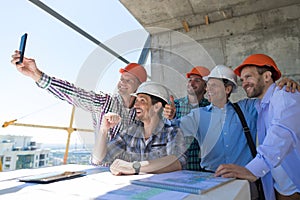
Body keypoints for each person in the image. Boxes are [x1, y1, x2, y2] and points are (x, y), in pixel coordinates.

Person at [215, 54, 300, 200]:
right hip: (280, 188)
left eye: (248, 77)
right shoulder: (258, 106)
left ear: (267, 76)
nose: (244, 83)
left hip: (294, 186)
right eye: (242, 80)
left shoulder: (285, 95)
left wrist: (252, 170)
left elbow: (281, 133)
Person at [11, 50, 147, 141]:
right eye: (122, 78)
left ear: (139, 86)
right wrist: (37, 75)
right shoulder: (104, 102)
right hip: (105, 170)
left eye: (129, 80)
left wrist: (169, 115)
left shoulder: (143, 112)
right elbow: (73, 93)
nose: (122, 83)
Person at [91, 81, 187, 175]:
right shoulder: (129, 133)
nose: (136, 105)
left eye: (142, 101)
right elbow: (98, 159)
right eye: (136, 101)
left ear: (156, 107)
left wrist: (134, 167)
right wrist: (104, 130)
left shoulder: (173, 133)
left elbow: (176, 162)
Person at [164, 66, 210, 171]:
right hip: (178, 166)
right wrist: (170, 118)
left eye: (197, 80)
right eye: (190, 80)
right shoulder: (175, 105)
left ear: (206, 86)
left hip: (203, 167)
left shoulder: (210, 108)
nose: (191, 83)